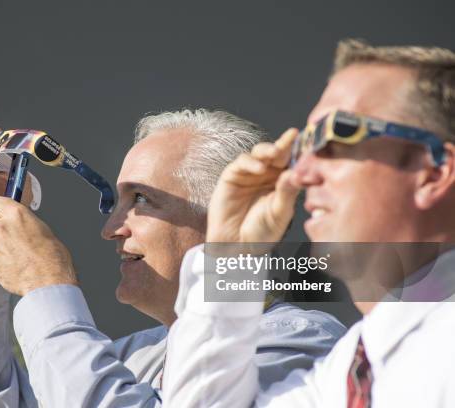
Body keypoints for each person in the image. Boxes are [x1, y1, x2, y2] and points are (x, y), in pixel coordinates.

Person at [0, 109, 345, 407]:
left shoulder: (299, 341)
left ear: (232, 219)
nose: (110, 229)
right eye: (115, 201)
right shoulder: (135, 357)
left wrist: (46, 288)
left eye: (141, 200)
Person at [163, 40, 455, 407]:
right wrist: (231, 255)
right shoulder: (351, 366)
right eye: (304, 147)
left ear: (433, 171)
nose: (299, 173)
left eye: (340, 134)